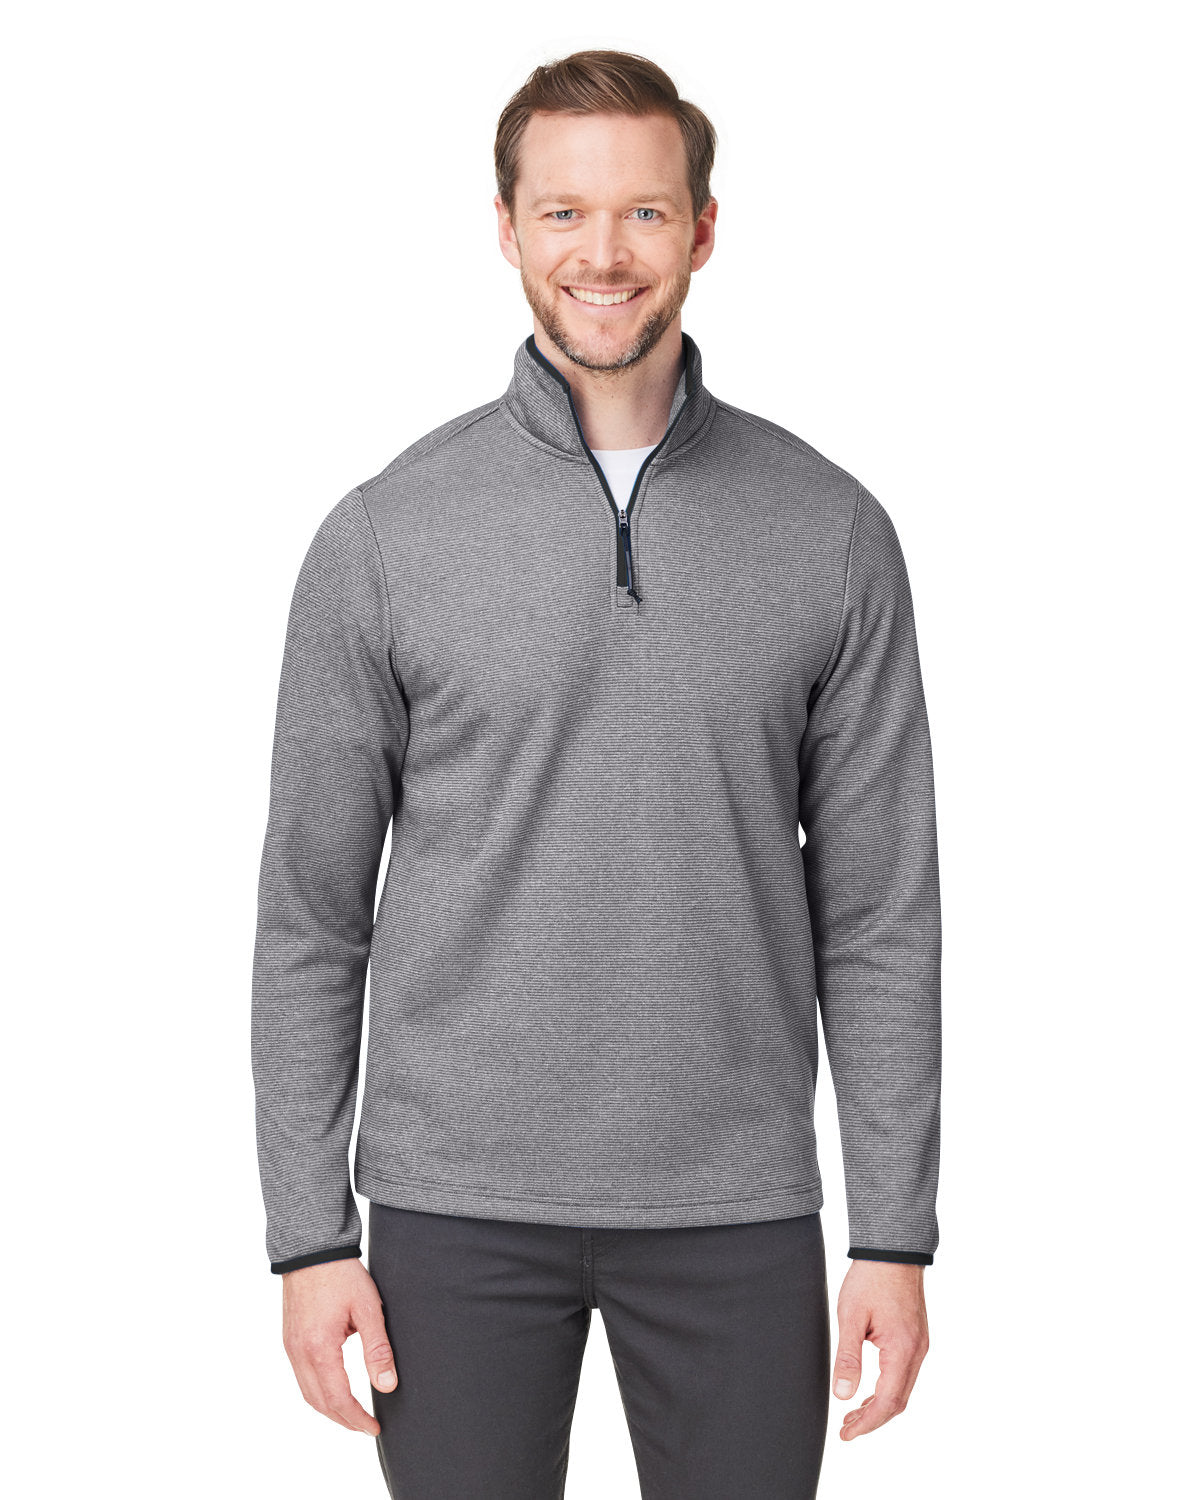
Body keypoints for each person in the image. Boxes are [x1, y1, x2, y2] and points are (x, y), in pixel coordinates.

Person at [251, 48, 941, 1500]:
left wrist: (893, 1231)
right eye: (563, 212)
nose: (603, 253)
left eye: (643, 211)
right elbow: (311, 917)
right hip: (452, 1214)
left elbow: (881, 913)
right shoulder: (384, 537)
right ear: (506, 229)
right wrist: (310, 1236)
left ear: (703, 229)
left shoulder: (829, 533)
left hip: (736, 1206)